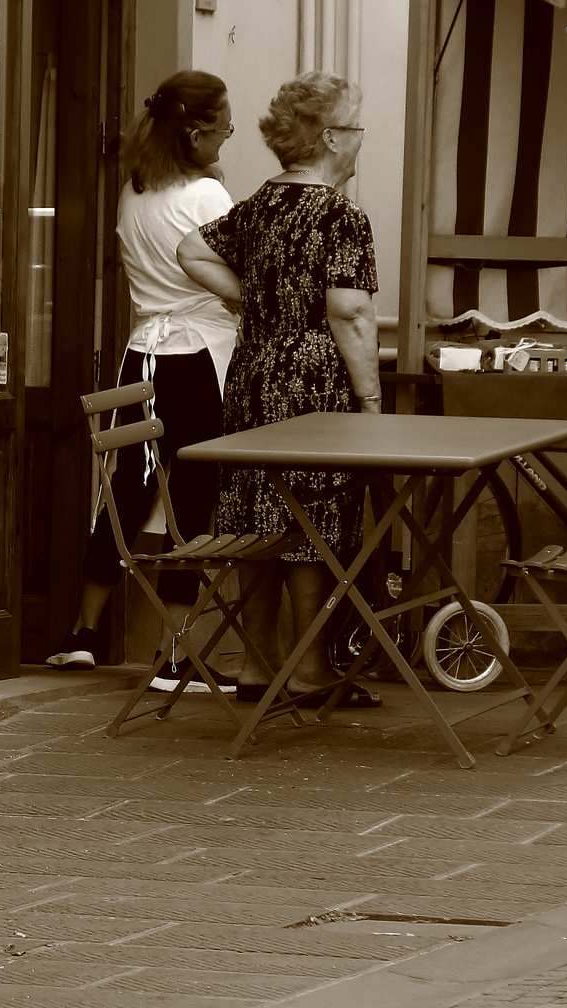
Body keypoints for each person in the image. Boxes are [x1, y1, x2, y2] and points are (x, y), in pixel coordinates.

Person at [175, 71, 384, 708]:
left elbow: (190, 250)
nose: (359, 142)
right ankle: (312, 669)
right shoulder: (342, 216)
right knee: (313, 519)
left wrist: (261, 303)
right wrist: (371, 399)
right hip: (315, 380)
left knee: (254, 514)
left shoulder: (263, 203)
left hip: (254, 373)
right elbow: (348, 313)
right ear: (328, 138)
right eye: (355, 129)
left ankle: (258, 664)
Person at [45, 70, 239, 691]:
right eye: (223, 129)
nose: (225, 143)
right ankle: (173, 655)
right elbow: (235, 272)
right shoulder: (207, 197)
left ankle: (83, 632)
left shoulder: (134, 189)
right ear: (196, 132)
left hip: (142, 352)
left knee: (125, 490)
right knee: (194, 499)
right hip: (199, 356)